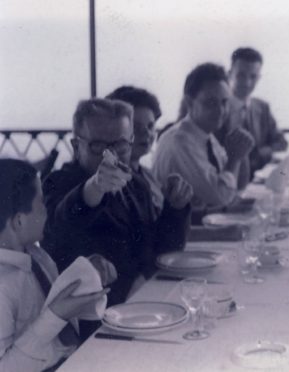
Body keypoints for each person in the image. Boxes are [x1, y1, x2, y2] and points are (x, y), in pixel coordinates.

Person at [42, 98, 191, 311]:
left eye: (120, 146)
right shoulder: (58, 183)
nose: (110, 157)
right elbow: (58, 229)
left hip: (144, 303)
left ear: (130, 142)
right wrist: (94, 188)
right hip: (92, 317)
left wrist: (175, 208)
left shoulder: (137, 185)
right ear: (76, 146)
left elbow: (160, 251)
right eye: (98, 146)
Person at [0, 159, 111, 371]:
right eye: (41, 203)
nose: (46, 210)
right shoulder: (3, 287)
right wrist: (55, 316)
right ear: (19, 221)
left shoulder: (37, 256)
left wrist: (88, 275)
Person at [153, 62, 255, 217]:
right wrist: (234, 158)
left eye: (224, 102)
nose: (221, 111)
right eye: (211, 102)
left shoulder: (205, 135)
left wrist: (241, 152)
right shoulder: (180, 142)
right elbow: (220, 198)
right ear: (189, 102)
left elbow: (235, 189)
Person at [106, 85, 194, 222]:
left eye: (150, 126)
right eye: (136, 127)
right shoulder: (113, 182)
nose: (146, 133)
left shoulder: (147, 175)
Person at [215, 47, 287, 179]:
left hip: (259, 181)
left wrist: (265, 152)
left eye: (253, 77)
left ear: (259, 77)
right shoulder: (217, 109)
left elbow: (282, 142)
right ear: (230, 74)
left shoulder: (262, 107)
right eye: (241, 75)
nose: (247, 83)